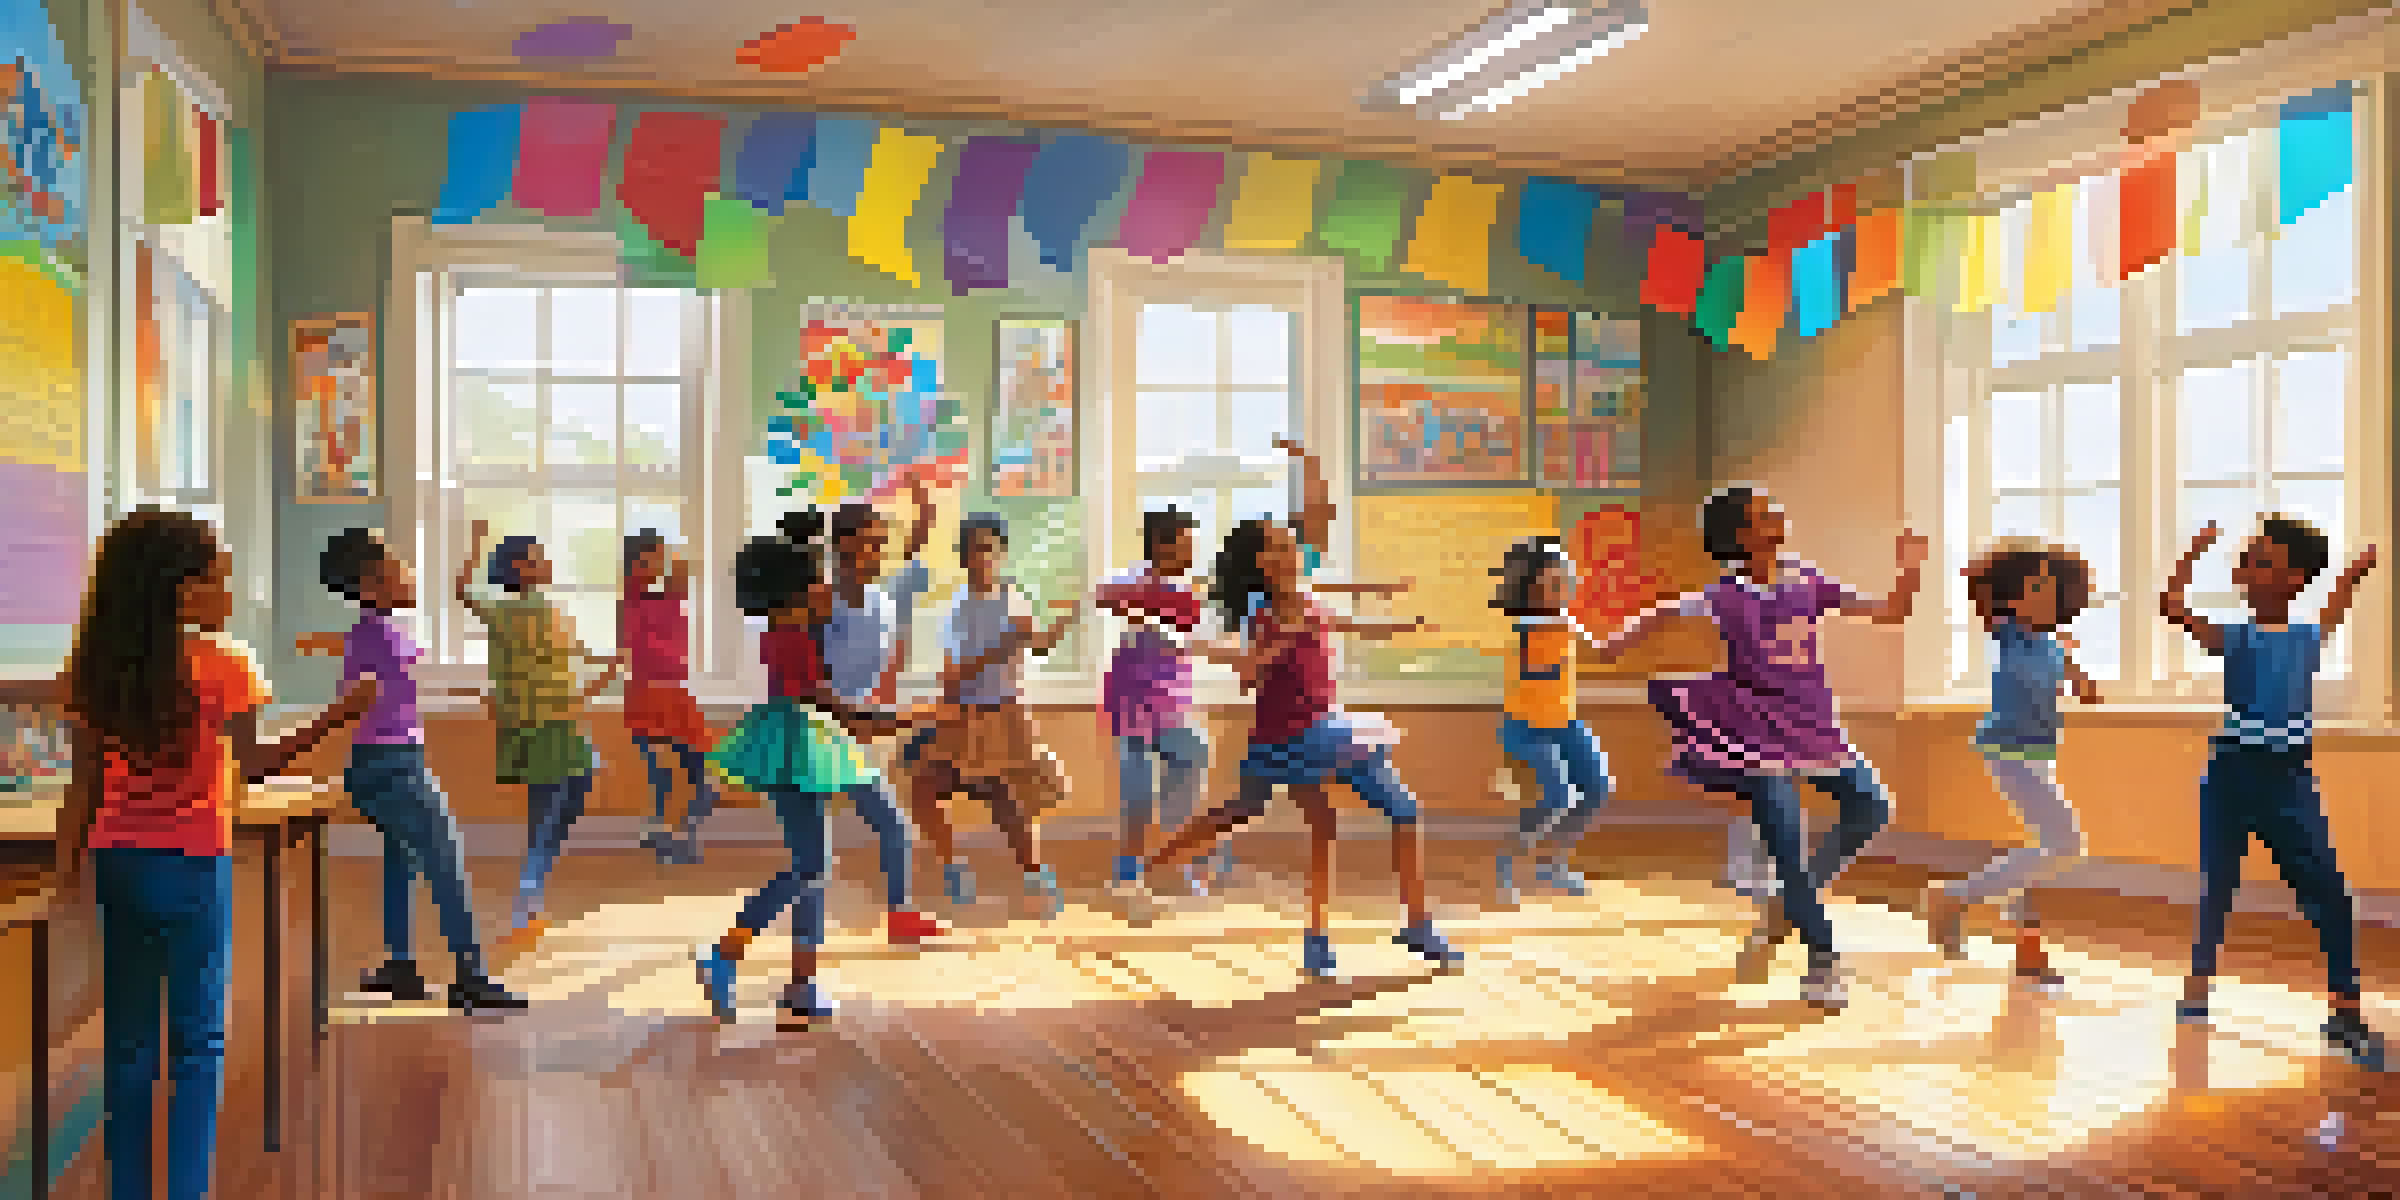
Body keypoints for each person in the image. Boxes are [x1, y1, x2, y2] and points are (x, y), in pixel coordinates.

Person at [54, 507, 377, 1200]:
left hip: (119, 863)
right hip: (195, 864)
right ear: (180, 590)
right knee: (198, 1043)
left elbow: (81, 788)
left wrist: (62, 882)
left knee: (130, 1043)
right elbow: (253, 764)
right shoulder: (226, 663)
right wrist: (335, 719)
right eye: (220, 581)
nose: (233, 594)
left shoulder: (95, 667)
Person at [1591, 486, 1924, 1012]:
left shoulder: (1807, 580)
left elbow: (1890, 612)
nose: (1780, 515)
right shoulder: (1727, 595)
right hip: (1757, 729)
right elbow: (1661, 614)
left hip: (1812, 724)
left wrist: (1909, 571)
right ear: (1744, 535)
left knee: (1872, 807)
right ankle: (1822, 960)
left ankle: (1782, 908)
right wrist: (1611, 644)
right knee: (1785, 847)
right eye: (1765, 514)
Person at [1114, 518, 1461, 981]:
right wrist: (1266, 649)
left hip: (1328, 729)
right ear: (1262, 563)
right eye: (1279, 548)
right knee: (1241, 813)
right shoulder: (1264, 612)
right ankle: (1144, 871)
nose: (1293, 552)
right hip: (1285, 736)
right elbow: (1250, 676)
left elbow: (1344, 619)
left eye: (1292, 543)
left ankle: (1409, 925)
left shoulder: (1307, 595)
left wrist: (1398, 622)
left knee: (1393, 812)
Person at [2161, 517, 2385, 1069]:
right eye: (2247, 559)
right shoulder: (2234, 636)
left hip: (2289, 778)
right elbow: (2171, 604)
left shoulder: (2308, 636)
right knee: (2218, 884)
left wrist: (2354, 575)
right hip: (2231, 777)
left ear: (2293, 579)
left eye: (2261, 560)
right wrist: (2192, 550)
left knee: (2328, 888)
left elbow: (2336, 604)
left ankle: (2345, 1005)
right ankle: (2197, 985)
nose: (2246, 568)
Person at [696, 518, 936, 1030]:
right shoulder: (793, 643)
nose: (829, 588)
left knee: (815, 865)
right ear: (795, 596)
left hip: (809, 739)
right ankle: (727, 952)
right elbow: (847, 716)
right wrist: (924, 714)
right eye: (817, 583)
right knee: (811, 867)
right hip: (800, 743)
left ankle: (797, 983)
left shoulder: (791, 632)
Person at [302, 529, 524, 1011]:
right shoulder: (381, 631)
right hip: (392, 766)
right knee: (446, 861)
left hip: (387, 761)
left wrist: (475, 693)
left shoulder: (380, 628)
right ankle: (470, 978)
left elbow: (412, 680)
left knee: (402, 861)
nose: (408, 573)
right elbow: (405, 682)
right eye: (396, 567)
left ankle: (400, 966)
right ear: (370, 584)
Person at [1924, 539, 2101, 989]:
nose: (2042, 595)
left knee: (2044, 850)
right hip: (2007, 751)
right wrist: (1978, 578)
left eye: (2049, 587)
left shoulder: (2054, 647)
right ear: (2009, 597)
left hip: (2038, 754)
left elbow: (2087, 692)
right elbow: (1982, 600)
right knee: (2065, 847)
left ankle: (2021, 937)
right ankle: (1954, 897)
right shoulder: (2009, 632)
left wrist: (2078, 672)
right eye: (2031, 587)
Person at [456, 520, 623, 959]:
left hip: (560, 722)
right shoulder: (510, 611)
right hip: (541, 724)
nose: (546, 561)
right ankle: (525, 905)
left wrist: (606, 667)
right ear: (517, 569)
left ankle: (530, 899)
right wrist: (475, 540)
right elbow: (462, 589)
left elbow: (574, 654)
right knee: (548, 819)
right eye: (536, 556)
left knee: (559, 808)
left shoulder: (547, 611)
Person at [907, 514, 1080, 919]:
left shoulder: (1014, 598)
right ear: (963, 557)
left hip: (1005, 712)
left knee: (1006, 800)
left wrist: (1066, 621)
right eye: (974, 550)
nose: (982, 557)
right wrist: (1002, 646)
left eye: (990, 549)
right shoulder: (956, 608)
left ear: (1002, 554)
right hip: (964, 713)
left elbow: (1036, 644)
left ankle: (1035, 875)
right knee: (925, 789)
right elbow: (954, 673)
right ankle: (954, 869)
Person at [817, 486, 949, 942]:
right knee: (813, 857)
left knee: (895, 828)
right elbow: (805, 676)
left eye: (880, 543)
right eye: (869, 543)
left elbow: (909, 564)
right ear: (844, 546)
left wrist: (925, 515)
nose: (878, 552)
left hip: (851, 733)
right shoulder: (821, 602)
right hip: (814, 734)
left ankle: (901, 917)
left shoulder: (882, 600)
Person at [1096, 506, 1226, 895]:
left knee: (1192, 755)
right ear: (1161, 546)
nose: (1191, 554)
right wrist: (1145, 603)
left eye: (1193, 545)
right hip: (1131, 699)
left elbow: (1192, 634)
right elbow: (1104, 594)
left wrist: (1160, 614)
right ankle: (1131, 870)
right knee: (1136, 787)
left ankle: (1174, 856)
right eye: (1185, 545)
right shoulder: (1136, 578)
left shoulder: (1190, 589)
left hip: (1170, 698)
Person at [1488, 536, 1614, 907]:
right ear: (1532, 585)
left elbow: (1603, 651)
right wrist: (1560, 634)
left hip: (1566, 723)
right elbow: (1534, 671)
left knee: (1597, 787)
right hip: (1526, 728)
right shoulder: (1523, 624)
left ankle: (1554, 864)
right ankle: (1506, 865)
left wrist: (1649, 623)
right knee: (1556, 796)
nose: (1564, 587)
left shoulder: (1564, 622)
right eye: (1554, 581)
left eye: (1566, 579)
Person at [620, 531, 720, 865]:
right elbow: (641, 649)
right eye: (652, 557)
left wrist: (670, 560)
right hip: (650, 697)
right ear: (635, 563)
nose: (660, 563)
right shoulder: (632, 601)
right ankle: (666, 838)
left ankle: (679, 836)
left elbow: (682, 571)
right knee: (662, 776)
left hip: (676, 696)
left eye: (661, 557)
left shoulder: (670, 598)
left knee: (702, 778)